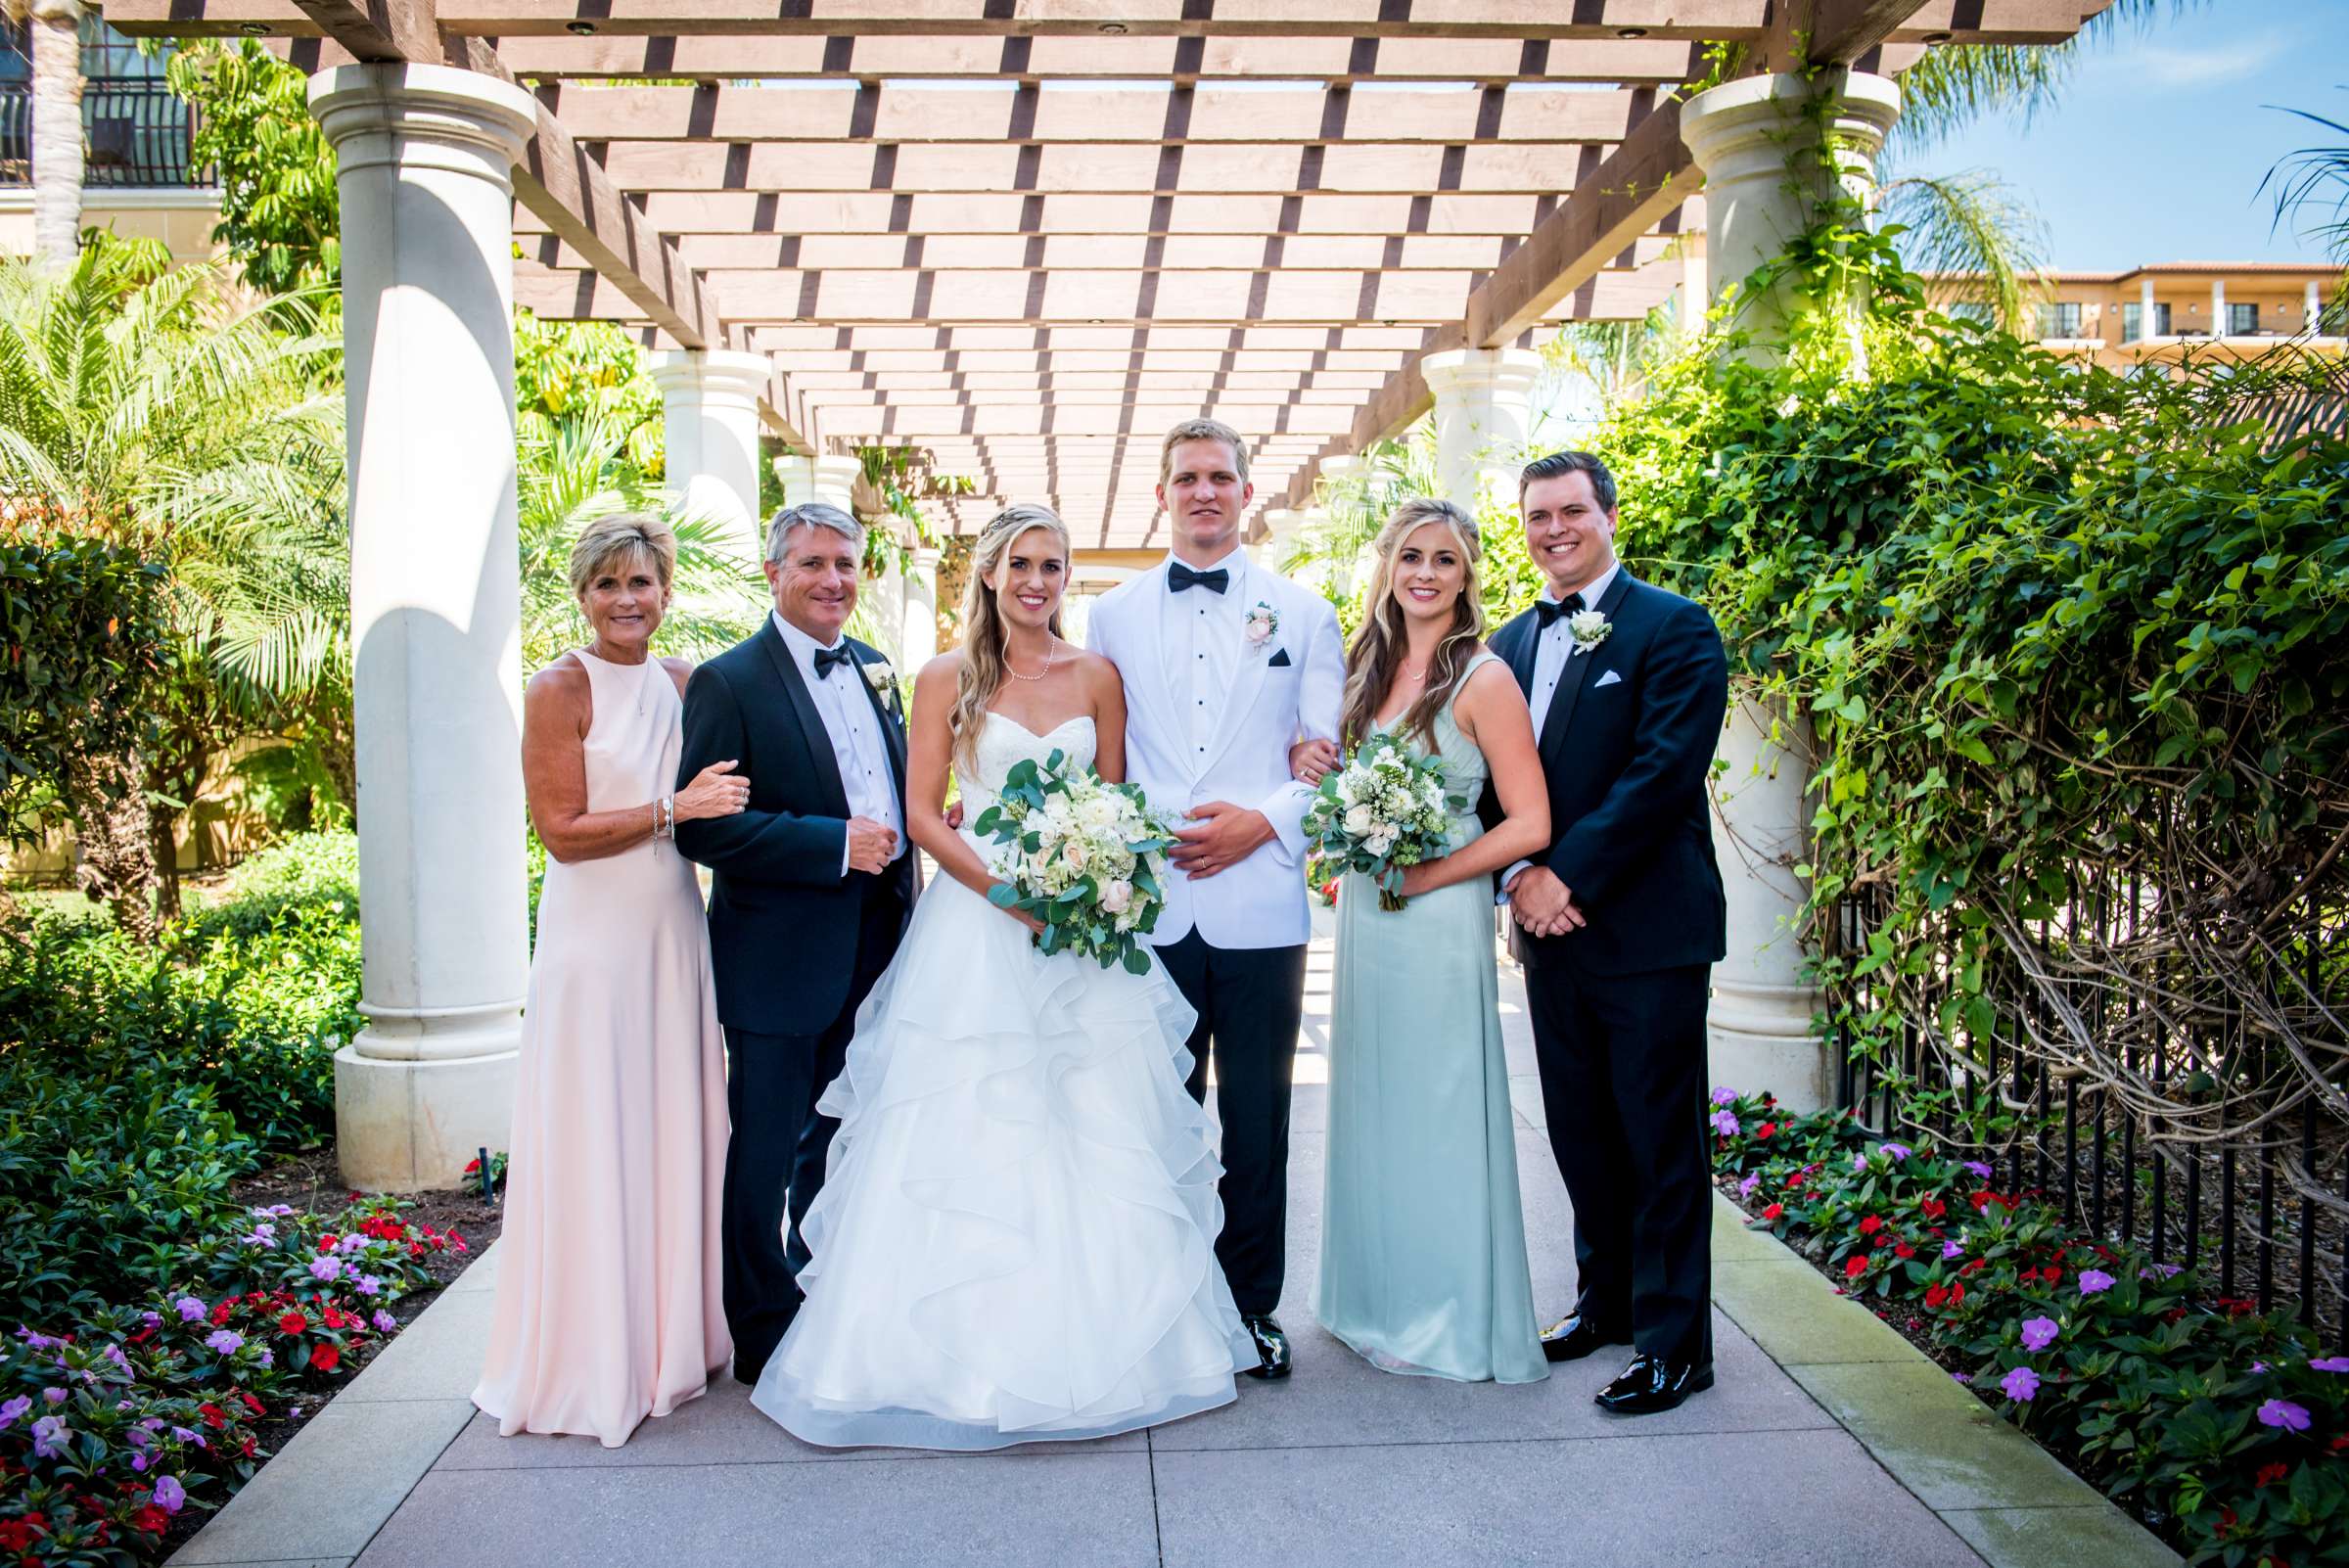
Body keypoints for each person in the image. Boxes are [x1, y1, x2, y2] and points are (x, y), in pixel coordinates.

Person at [750, 503, 1255, 1450]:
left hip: (1078, 930)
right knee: (970, 1118)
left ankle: (1111, 1346)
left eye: (1053, 566)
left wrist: (1098, 873)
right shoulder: (945, 677)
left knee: (1093, 1119)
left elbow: (1113, 801)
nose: (1037, 581)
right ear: (988, 573)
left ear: (1068, 579)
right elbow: (926, 813)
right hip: (977, 928)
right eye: (1020, 563)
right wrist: (1003, 890)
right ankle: (939, 1356)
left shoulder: (1098, 677)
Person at [474, 513, 745, 1447]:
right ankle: (594, 1352)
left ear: (668, 592)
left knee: (673, 1122)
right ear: (582, 594)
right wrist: (674, 806)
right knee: (601, 1125)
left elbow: (747, 798)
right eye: (608, 585)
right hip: (595, 940)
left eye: (643, 583)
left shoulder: (684, 683)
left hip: (672, 927)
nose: (628, 601)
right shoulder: (559, 688)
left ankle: (675, 1339)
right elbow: (561, 831)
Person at [1084, 419, 1345, 1379]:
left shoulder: (1306, 614)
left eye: (1219, 478)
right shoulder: (1108, 616)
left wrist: (1264, 821)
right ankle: (1162, 1308)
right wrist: (1163, 826)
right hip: (1154, 901)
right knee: (1157, 1116)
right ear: (1163, 493)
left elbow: (1324, 757)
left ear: (1247, 492)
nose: (1204, 492)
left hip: (1261, 904)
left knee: (1259, 1124)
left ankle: (1251, 1311)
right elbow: (1105, 755)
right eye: (1187, 477)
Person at [1485, 451, 1730, 1415]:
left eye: (1570, 510)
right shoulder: (1506, 644)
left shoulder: (1675, 627)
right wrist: (1515, 877)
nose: (1554, 529)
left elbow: (1662, 774)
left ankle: (1678, 1346)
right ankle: (1608, 1302)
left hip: (1649, 935)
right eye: (1538, 514)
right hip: (1552, 939)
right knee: (1583, 1134)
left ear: (1609, 514)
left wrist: (1562, 874)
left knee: (1661, 1142)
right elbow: (1488, 785)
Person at [1299, 497, 1551, 1384]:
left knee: (1439, 1112)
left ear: (1468, 576)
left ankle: (1447, 1312)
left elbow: (1528, 822)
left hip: (1435, 915)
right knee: (1375, 1102)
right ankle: (1373, 1299)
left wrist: (1431, 876)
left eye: (1446, 560)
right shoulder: (1366, 672)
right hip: (1371, 910)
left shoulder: (1483, 679)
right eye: (1412, 557)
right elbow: (1332, 774)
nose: (1426, 575)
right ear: (1388, 568)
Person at [672, 503, 915, 1388]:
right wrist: (831, 844)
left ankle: (830, 1294)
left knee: (845, 1129)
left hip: (881, 940)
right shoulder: (728, 683)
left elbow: (890, 789)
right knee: (766, 1143)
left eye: (846, 563)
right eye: (813, 563)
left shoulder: (880, 669)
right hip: (776, 955)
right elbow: (704, 832)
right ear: (774, 572)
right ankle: (763, 1327)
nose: (832, 581)